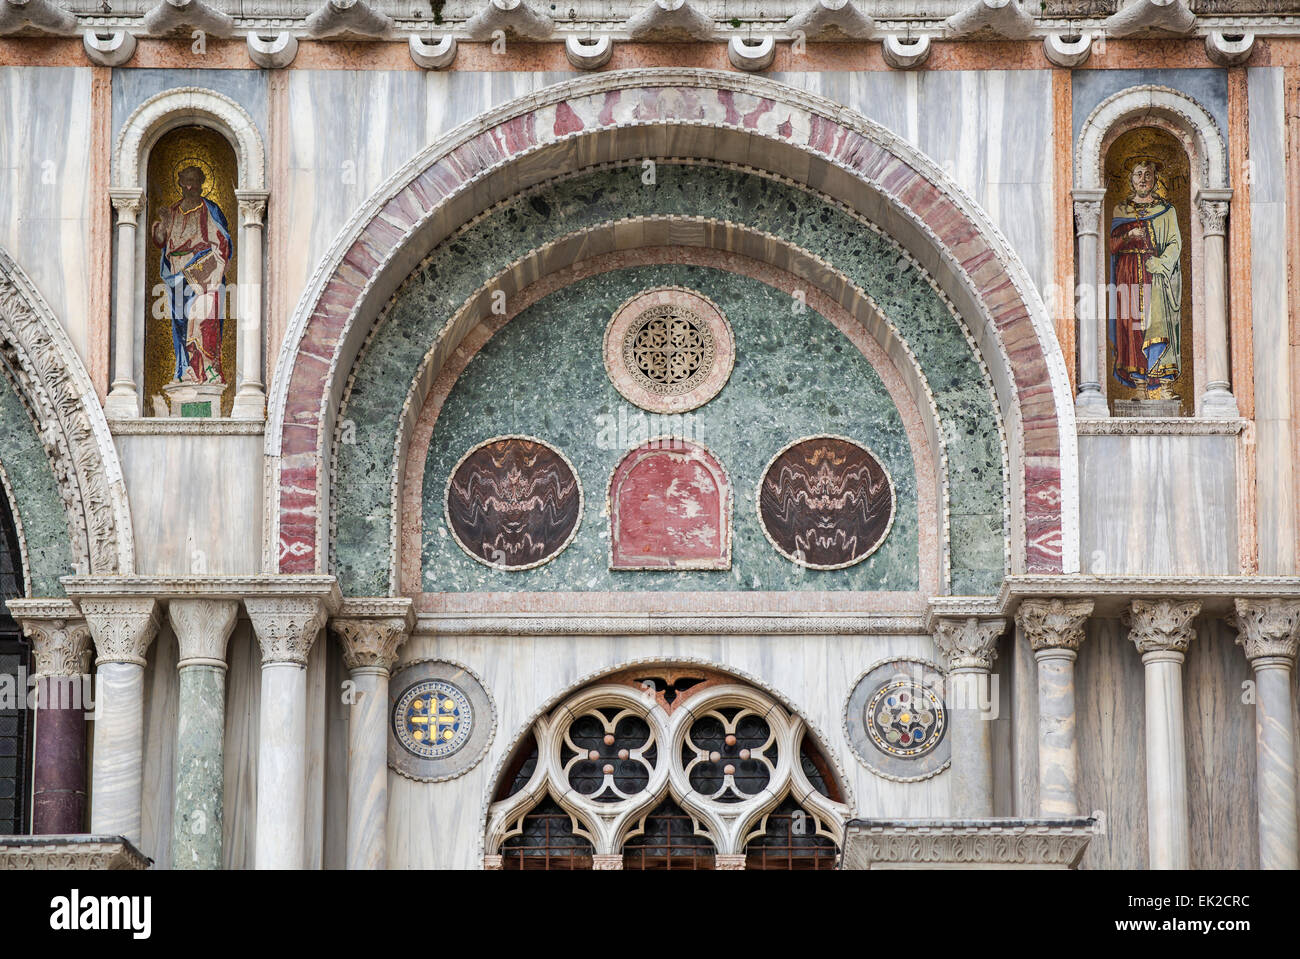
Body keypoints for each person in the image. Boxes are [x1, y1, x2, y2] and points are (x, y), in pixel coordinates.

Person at [151, 165, 232, 384]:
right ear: (179, 184)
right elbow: (159, 240)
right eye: (186, 181)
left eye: (194, 181)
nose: (190, 186)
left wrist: (211, 271)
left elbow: (222, 243)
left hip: (203, 273)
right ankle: (184, 369)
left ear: (201, 183)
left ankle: (206, 371)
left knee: (203, 318)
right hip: (176, 274)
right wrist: (164, 222)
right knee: (180, 323)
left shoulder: (209, 209)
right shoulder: (173, 211)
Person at [1108, 156, 1182, 396]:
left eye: (1147, 175)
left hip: (1155, 276)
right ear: (1131, 179)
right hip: (1127, 274)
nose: (1143, 179)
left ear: (1155, 179)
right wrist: (1129, 236)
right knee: (1131, 328)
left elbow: (1174, 243)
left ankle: (1165, 385)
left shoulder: (1165, 210)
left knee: (1158, 326)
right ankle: (1139, 386)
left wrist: (1160, 263)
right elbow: (1111, 245)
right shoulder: (1121, 210)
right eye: (1138, 174)